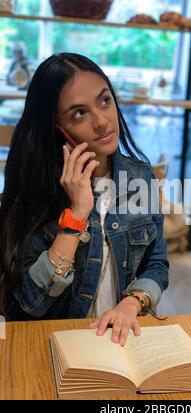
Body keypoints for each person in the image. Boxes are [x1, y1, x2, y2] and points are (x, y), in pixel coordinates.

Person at [0, 53, 169, 346]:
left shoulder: (140, 176)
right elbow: (31, 301)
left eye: (104, 101)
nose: (102, 122)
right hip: (49, 343)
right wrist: (76, 216)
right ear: (57, 129)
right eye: (79, 113)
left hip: (117, 341)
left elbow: (157, 263)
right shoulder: (35, 191)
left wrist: (132, 302)